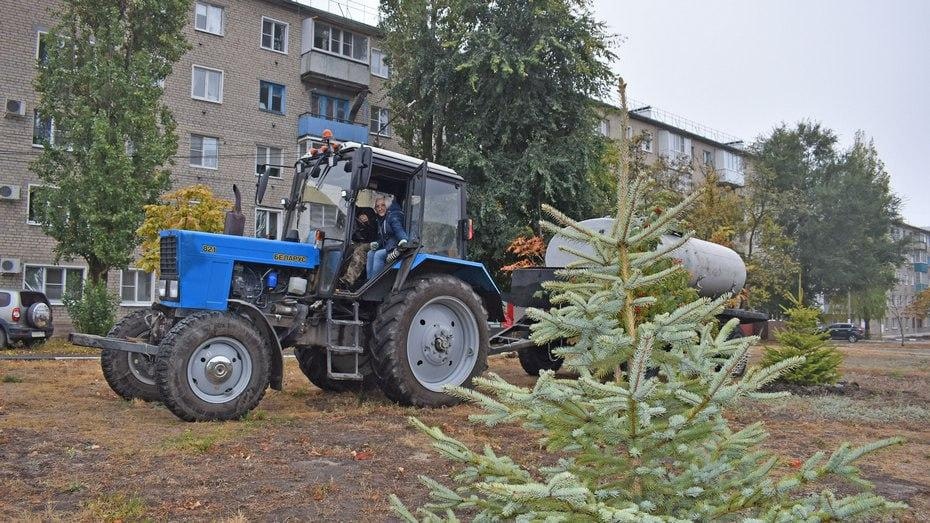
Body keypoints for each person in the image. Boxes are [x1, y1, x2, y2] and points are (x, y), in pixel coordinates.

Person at [366, 196, 408, 280]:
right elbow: (385, 237)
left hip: (397, 246)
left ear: (388, 205)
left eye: (383, 205)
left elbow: (398, 229)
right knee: (370, 253)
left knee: (378, 255)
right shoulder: (382, 219)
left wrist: (403, 239)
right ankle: (368, 281)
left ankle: (375, 283)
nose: (380, 208)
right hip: (389, 246)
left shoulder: (393, 215)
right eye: (377, 206)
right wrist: (377, 243)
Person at [339, 205, 378, 287]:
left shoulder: (368, 212)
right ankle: (339, 276)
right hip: (359, 241)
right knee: (346, 248)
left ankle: (349, 280)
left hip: (374, 242)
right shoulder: (347, 215)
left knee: (360, 250)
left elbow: (374, 229)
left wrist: (368, 221)